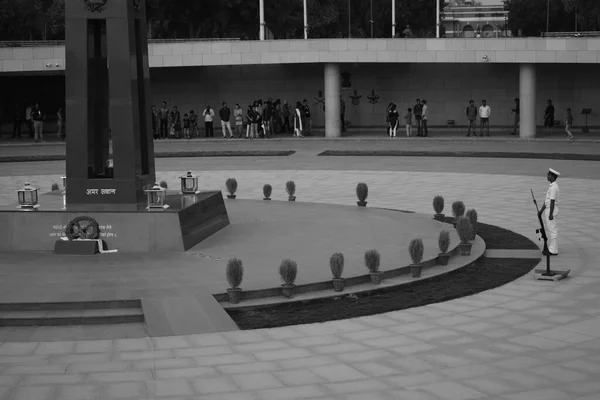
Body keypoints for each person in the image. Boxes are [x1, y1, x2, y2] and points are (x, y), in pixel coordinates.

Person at [538, 168, 561, 256]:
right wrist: (541, 211)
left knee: (553, 230)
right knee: (551, 229)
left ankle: (553, 250)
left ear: (552, 176)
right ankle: (552, 248)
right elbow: (546, 201)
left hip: (551, 210)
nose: (547, 176)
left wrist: (550, 214)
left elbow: (552, 201)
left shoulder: (554, 187)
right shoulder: (552, 186)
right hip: (548, 209)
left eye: (548, 175)